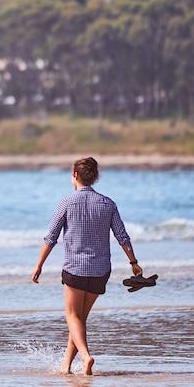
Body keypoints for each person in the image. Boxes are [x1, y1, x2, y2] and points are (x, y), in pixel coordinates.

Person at [31, 157, 141, 375]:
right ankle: (66, 366)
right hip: (100, 271)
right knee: (79, 319)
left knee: (72, 317)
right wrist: (133, 262)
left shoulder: (67, 203)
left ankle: (85, 357)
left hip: (75, 269)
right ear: (95, 177)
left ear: (75, 175)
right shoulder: (108, 204)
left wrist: (39, 265)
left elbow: (50, 237)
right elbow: (122, 236)